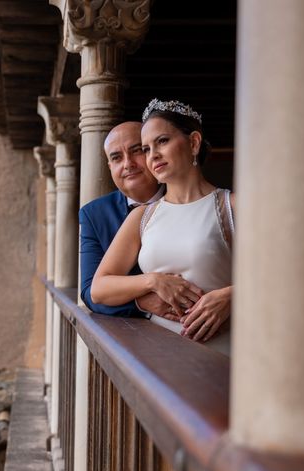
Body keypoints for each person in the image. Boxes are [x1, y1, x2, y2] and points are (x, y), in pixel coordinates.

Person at [91, 99, 234, 353]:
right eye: (146, 148)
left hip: (222, 356)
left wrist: (231, 297)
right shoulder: (142, 217)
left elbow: (288, 273)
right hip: (156, 358)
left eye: (162, 141)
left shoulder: (232, 206)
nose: (153, 154)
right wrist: (153, 282)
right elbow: (99, 289)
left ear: (193, 143)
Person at [79, 121, 182, 320]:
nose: (128, 164)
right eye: (116, 158)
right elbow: (89, 291)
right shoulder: (94, 214)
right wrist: (141, 303)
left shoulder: (188, 198)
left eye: (137, 151)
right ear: (110, 166)